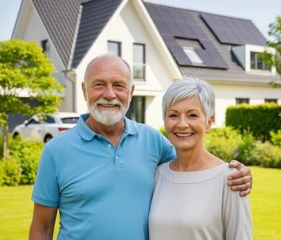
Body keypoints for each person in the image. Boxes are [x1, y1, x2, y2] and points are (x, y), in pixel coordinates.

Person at [29, 54, 252, 240]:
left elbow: (192, 163)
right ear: (85, 90)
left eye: (119, 85)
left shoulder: (152, 141)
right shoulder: (56, 151)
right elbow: (41, 229)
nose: (109, 94)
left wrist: (235, 173)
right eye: (99, 85)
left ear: (131, 91)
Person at [149, 78, 253, 240]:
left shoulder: (230, 179)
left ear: (209, 122)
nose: (182, 124)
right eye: (173, 115)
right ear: (165, 121)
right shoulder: (157, 174)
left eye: (192, 115)